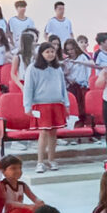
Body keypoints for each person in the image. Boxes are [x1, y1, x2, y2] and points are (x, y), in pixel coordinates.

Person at [23, 41, 69, 173]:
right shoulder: (33, 68)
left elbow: (62, 88)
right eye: (47, 51)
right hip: (40, 104)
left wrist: (66, 103)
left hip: (56, 104)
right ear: (41, 53)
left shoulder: (57, 68)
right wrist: (27, 106)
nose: (50, 54)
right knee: (43, 132)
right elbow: (28, 88)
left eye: (52, 51)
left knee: (54, 133)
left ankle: (52, 159)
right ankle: (40, 162)